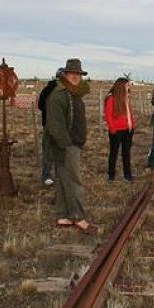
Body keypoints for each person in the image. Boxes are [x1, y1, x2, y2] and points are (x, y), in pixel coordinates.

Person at [45, 59, 97, 234]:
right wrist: (66, 145)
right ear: (65, 74)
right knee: (74, 182)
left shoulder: (73, 93)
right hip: (67, 146)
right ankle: (79, 218)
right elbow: (55, 125)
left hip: (71, 144)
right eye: (72, 73)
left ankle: (63, 215)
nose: (76, 76)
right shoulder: (59, 95)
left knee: (62, 181)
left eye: (78, 74)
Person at [104, 77, 135, 183]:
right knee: (114, 153)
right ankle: (111, 175)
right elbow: (108, 115)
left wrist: (132, 125)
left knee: (126, 153)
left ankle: (127, 175)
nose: (129, 87)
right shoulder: (111, 98)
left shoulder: (126, 97)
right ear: (121, 86)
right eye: (127, 85)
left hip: (128, 130)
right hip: (116, 131)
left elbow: (129, 113)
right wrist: (112, 129)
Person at [38, 68, 64, 186]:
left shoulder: (67, 90)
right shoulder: (48, 89)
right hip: (50, 125)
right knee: (48, 151)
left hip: (63, 126)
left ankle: (60, 176)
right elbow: (40, 105)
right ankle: (46, 175)